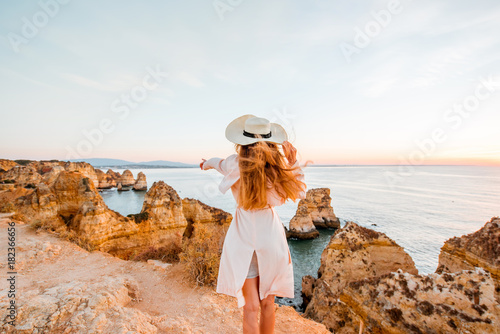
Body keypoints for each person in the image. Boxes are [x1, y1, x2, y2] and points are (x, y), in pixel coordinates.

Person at [200, 114, 307, 333]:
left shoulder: (234, 163)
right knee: (268, 304)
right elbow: (301, 190)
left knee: (250, 307)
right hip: (271, 238)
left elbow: (216, 162)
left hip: (243, 238)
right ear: (270, 141)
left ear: (242, 142)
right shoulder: (277, 170)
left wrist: (205, 164)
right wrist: (293, 161)